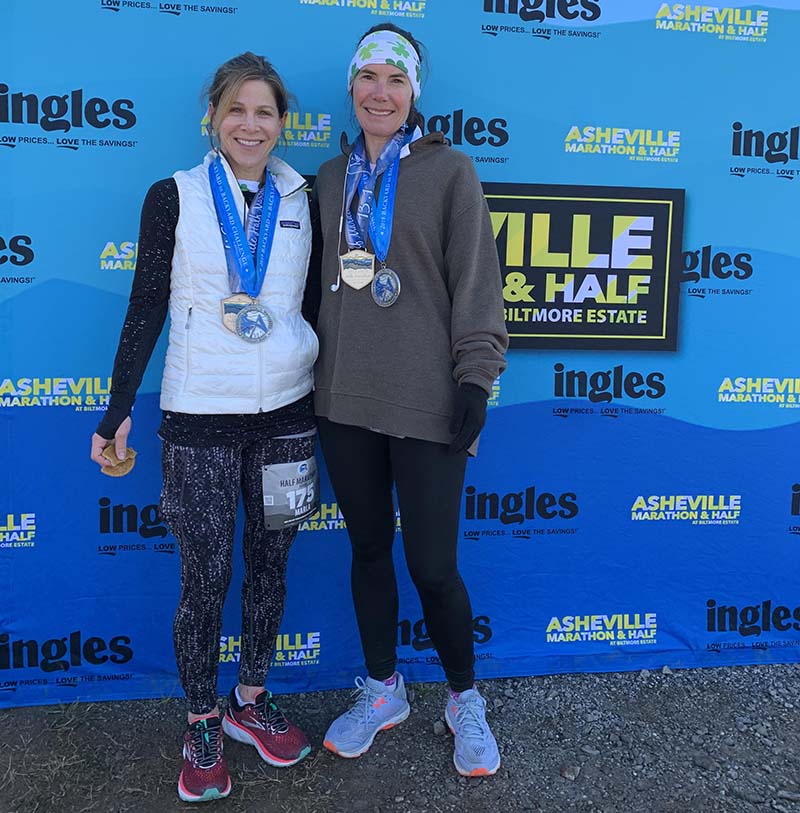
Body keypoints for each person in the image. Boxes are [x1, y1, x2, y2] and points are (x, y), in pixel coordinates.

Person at [89, 52, 319, 803]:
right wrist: (118, 408)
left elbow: (314, 313)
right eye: (237, 110)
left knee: (271, 566)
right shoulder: (176, 196)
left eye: (265, 112)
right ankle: (200, 720)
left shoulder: (303, 195)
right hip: (198, 421)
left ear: (282, 122)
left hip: (288, 414)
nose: (251, 125)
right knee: (206, 575)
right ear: (213, 119)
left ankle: (250, 700)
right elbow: (145, 305)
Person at [306, 24, 509, 777]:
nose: (380, 92)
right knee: (366, 549)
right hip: (343, 399)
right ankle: (384, 687)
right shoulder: (328, 179)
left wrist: (473, 380)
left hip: (427, 402)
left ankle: (463, 699)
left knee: (433, 566)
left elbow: (478, 287)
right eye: (368, 79)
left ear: (414, 92)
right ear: (352, 89)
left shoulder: (451, 171)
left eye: (395, 80)